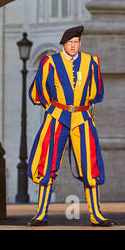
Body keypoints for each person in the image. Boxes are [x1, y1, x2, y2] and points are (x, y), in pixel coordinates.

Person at [27, 26, 115, 227]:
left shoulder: (91, 62)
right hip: (57, 116)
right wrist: (53, 108)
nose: (73, 46)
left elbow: (96, 91)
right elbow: (39, 90)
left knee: (90, 164)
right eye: (69, 43)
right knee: (47, 163)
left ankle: (96, 215)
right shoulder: (50, 62)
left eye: (76, 42)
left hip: (82, 118)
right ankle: (41, 214)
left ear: (80, 43)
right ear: (63, 44)